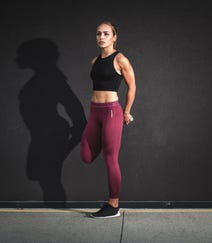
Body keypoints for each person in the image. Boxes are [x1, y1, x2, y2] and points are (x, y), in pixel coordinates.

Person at [80, 21, 136, 218]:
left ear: (114, 37)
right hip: (95, 112)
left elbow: (132, 87)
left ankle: (113, 205)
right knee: (86, 156)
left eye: (106, 33)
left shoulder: (121, 59)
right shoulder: (94, 61)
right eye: (98, 34)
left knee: (110, 159)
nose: (101, 37)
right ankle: (106, 141)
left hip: (112, 112)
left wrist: (127, 111)